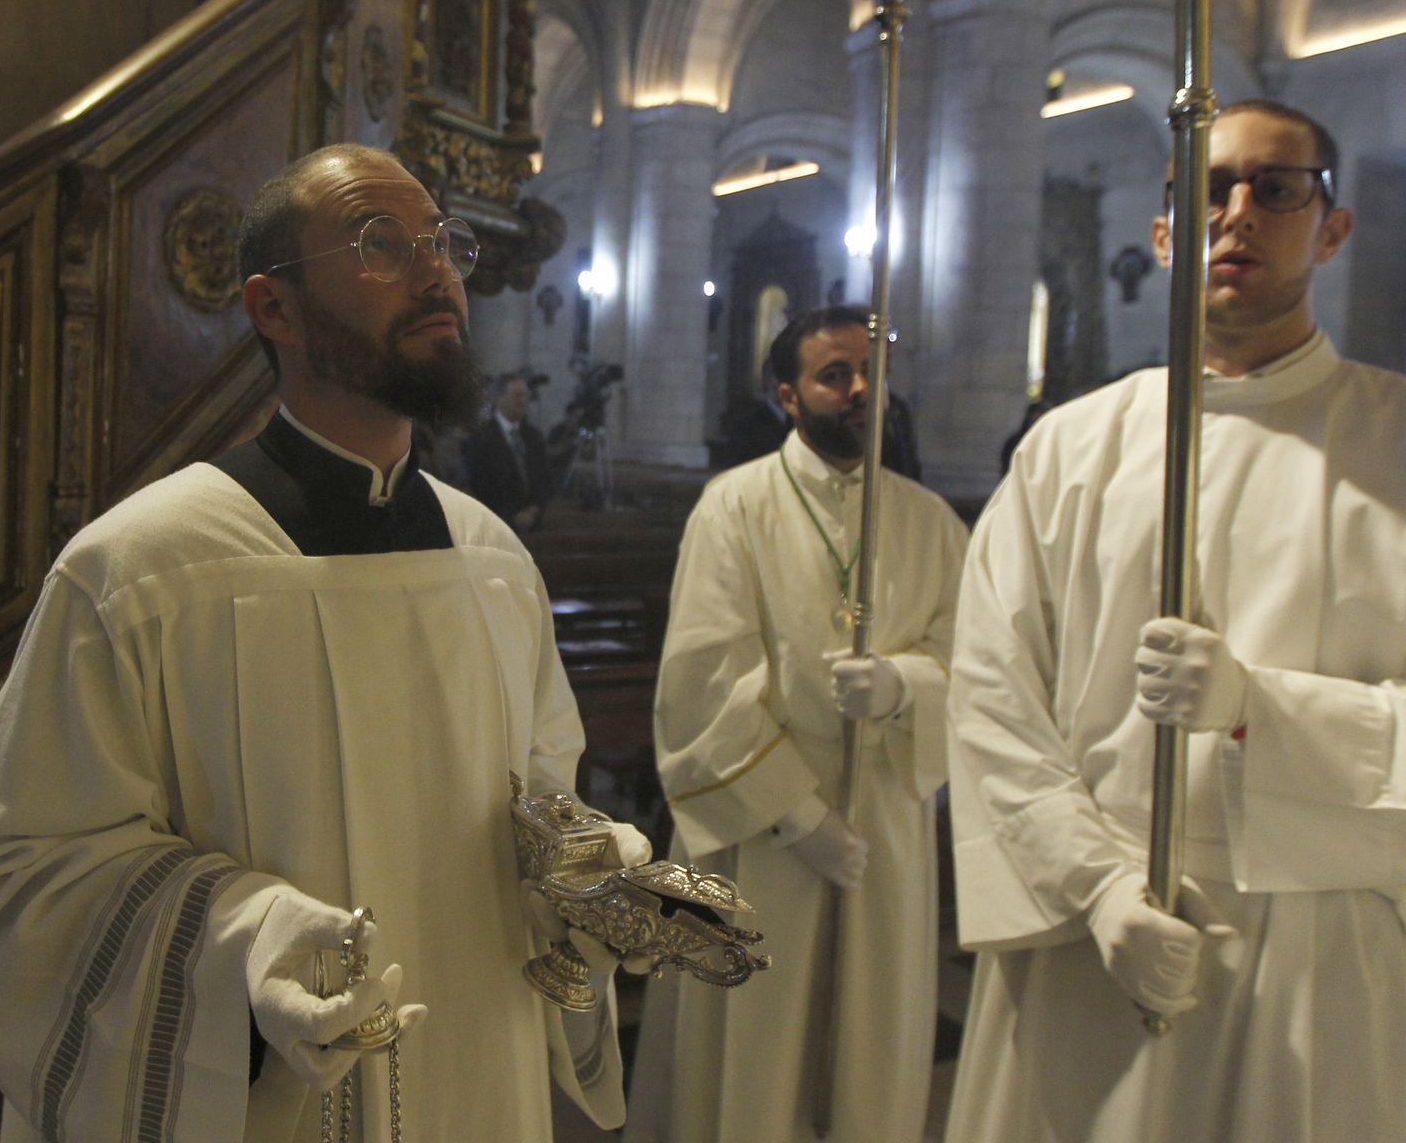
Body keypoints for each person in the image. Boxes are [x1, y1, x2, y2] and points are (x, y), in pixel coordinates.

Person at [0, 143, 648, 1143]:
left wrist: (592, 871)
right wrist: (242, 945)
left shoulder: (493, 560)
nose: (436, 270)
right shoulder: (142, 569)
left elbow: (538, 803)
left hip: (476, 1074)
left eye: (444, 242)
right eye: (378, 242)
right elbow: (9, 874)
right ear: (274, 308)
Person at [944, 99, 1406, 1142]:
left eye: (1274, 189)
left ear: (1331, 228)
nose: (1235, 214)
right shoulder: (1067, 450)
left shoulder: (1391, 443)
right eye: (1207, 190)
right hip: (1089, 930)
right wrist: (1099, 889)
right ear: (1161, 234)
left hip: (1319, 937)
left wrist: (1262, 710)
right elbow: (990, 698)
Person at [625, 304, 968, 1143]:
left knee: (871, 1039)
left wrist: (903, 686)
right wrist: (798, 813)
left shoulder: (928, 520)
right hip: (765, 829)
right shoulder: (733, 507)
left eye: (871, 372)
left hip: (885, 818)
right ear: (787, 394)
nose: (860, 389)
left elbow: (977, 667)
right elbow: (704, 678)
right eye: (834, 374)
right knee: (753, 1046)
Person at [462, 371, 551, 530]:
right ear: (498, 398)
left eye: (525, 396)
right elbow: (478, 485)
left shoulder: (534, 437)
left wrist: (532, 510)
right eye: (517, 396)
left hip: (533, 526)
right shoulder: (480, 439)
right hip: (495, 526)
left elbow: (544, 480)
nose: (523, 401)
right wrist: (510, 516)